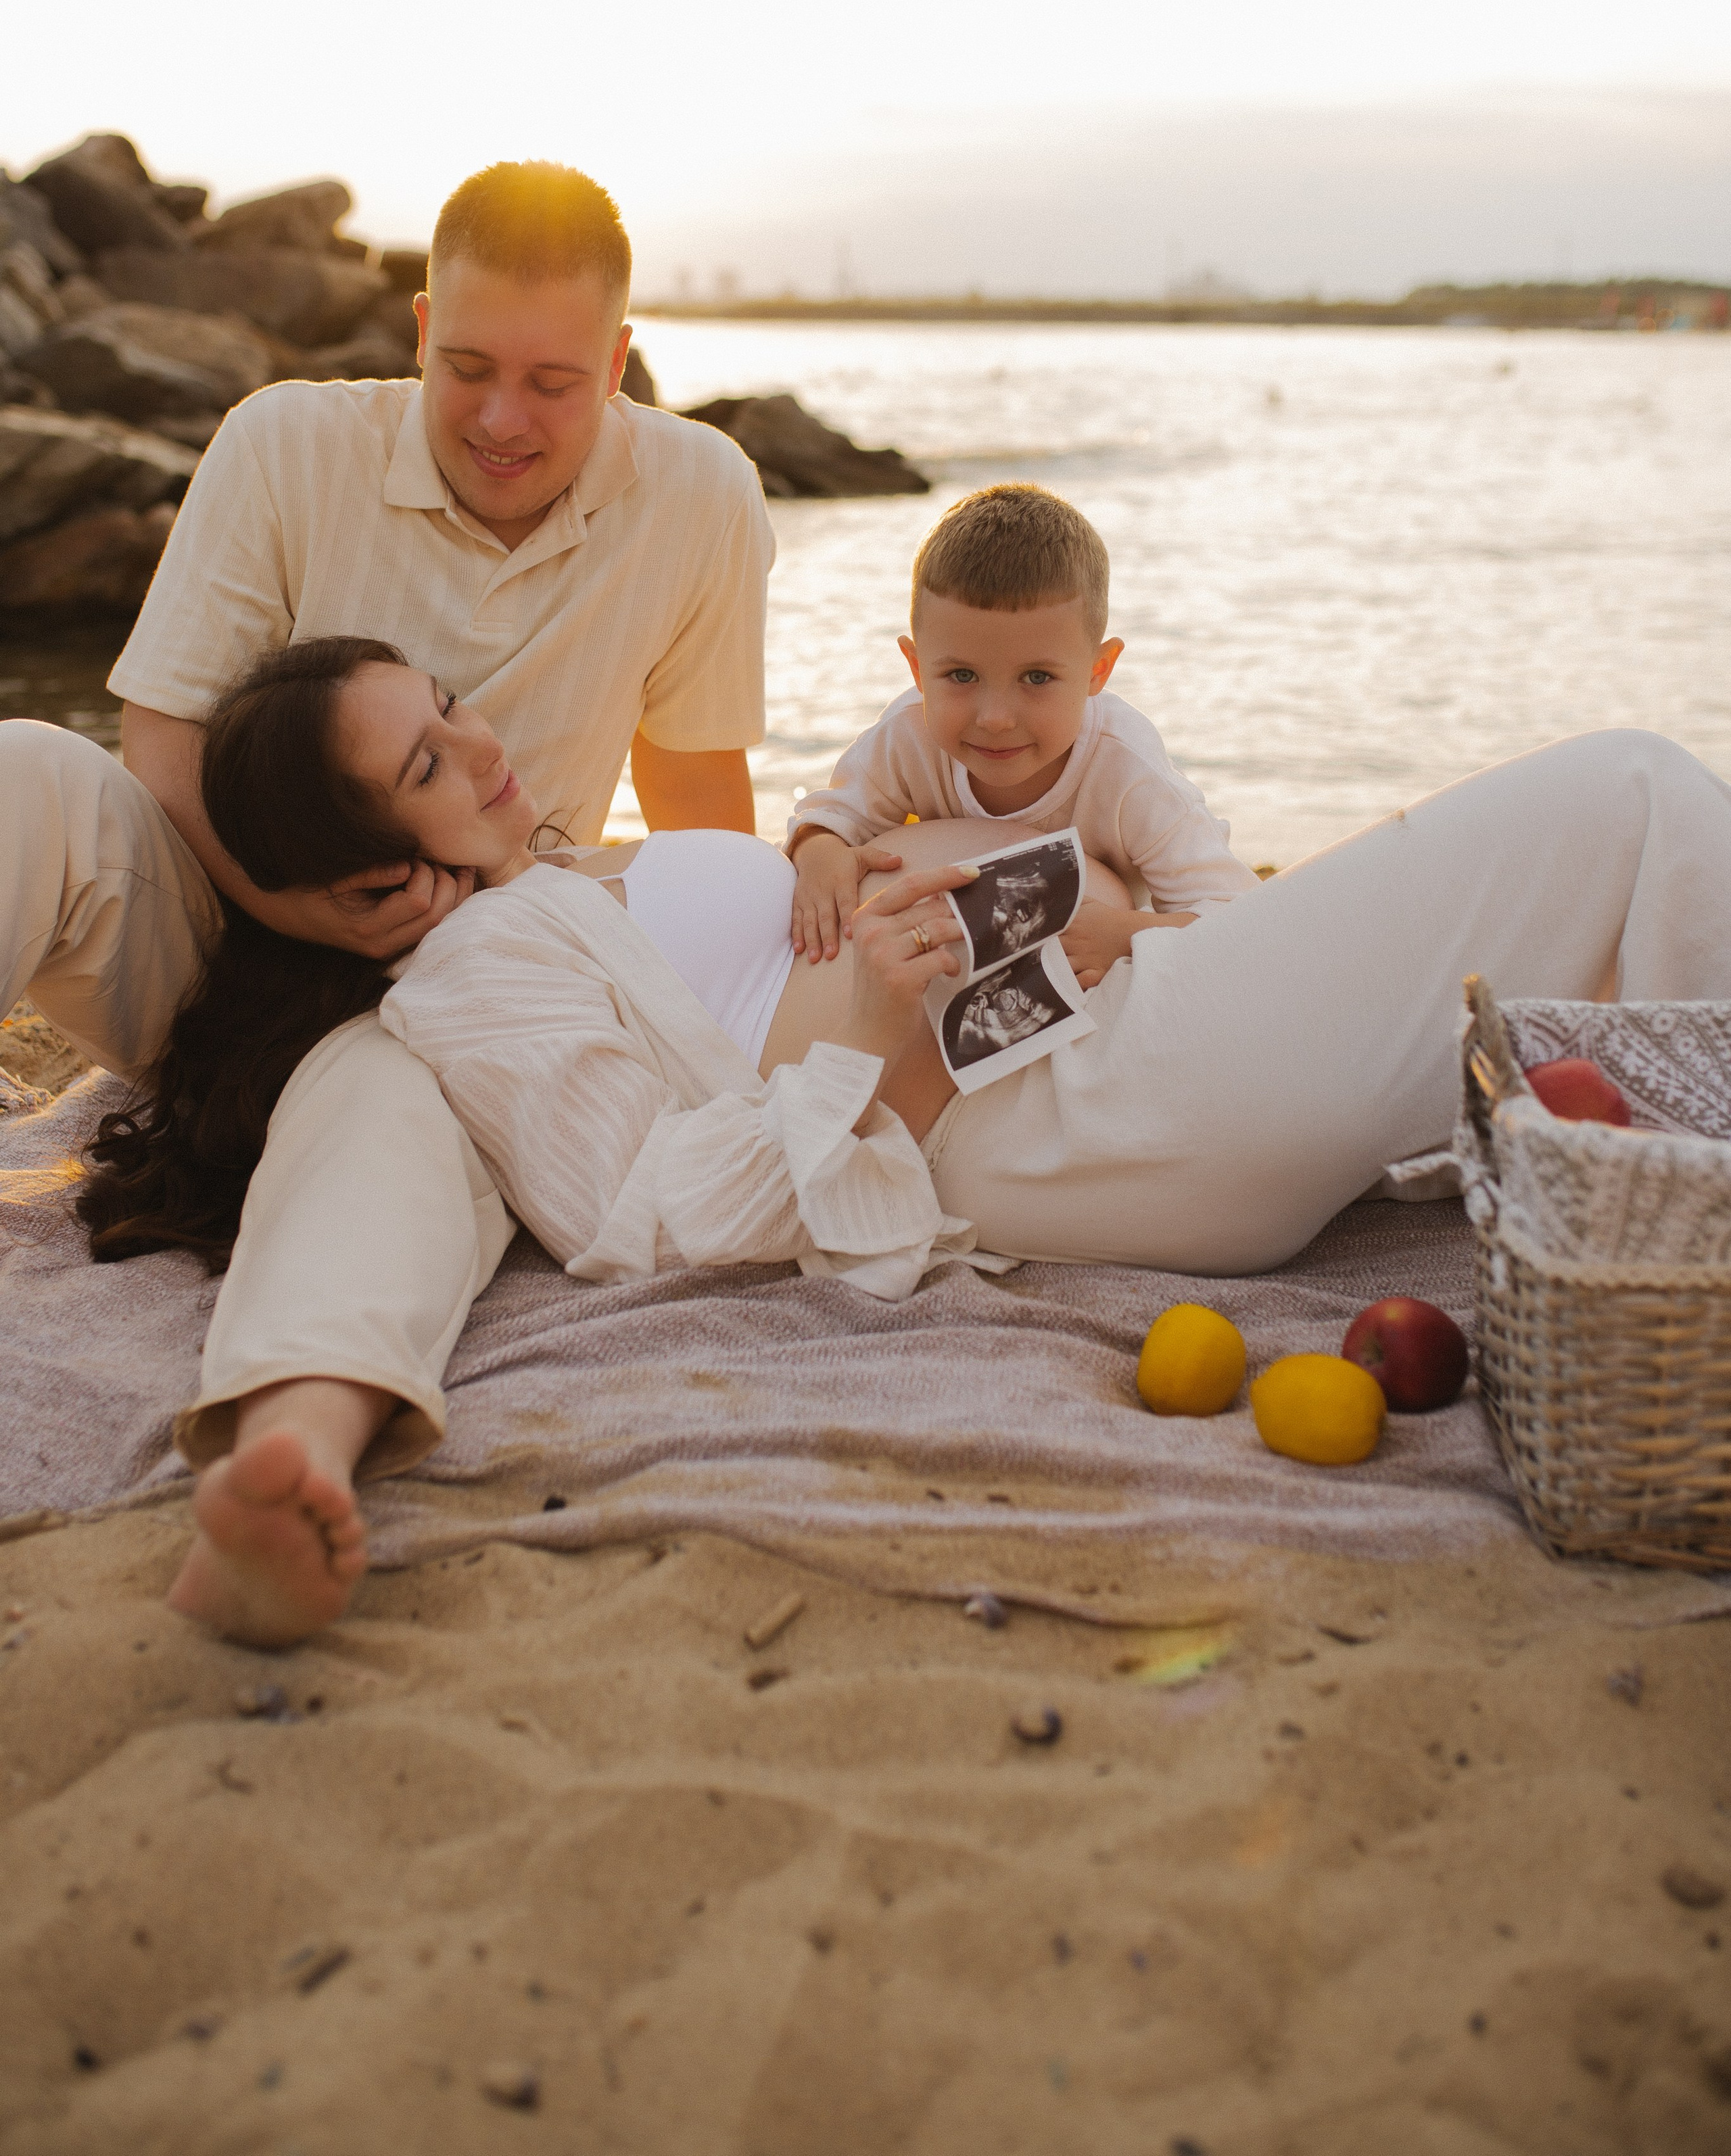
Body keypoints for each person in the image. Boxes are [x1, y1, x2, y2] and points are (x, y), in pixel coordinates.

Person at [81, 636, 1731, 1647]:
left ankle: (1672, 1218)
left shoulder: (542, 888)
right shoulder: (466, 978)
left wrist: (1037, 915)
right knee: (1629, 799)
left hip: (1074, 1046)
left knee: (1559, 909)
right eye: (429, 759)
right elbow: (651, 1212)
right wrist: (879, 1033)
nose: (485, 741)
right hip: (1046, 1112)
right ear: (369, 879)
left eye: (447, 704)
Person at [1, 158, 774, 1582]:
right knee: (33, 772)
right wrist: (299, 903)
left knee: (392, 1141)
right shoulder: (285, 444)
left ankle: (284, 1460)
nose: (500, 418)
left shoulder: (701, 494)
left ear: (618, 361)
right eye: (467, 365)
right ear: (419, 327)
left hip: (465, 999)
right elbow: (160, 750)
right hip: (226, 934)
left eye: (553, 383)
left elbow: (702, 831)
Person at [784, 483, 1259, 976]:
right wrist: (820, 853)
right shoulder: (909, 739)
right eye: (961, 676)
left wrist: (1125, 935)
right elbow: (830, 816)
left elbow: (1241, 916)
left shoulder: (1127, 772)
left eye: (1037, 678)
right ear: (916, 666)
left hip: (1085, 972)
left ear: (1098, 670)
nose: (995, 718)